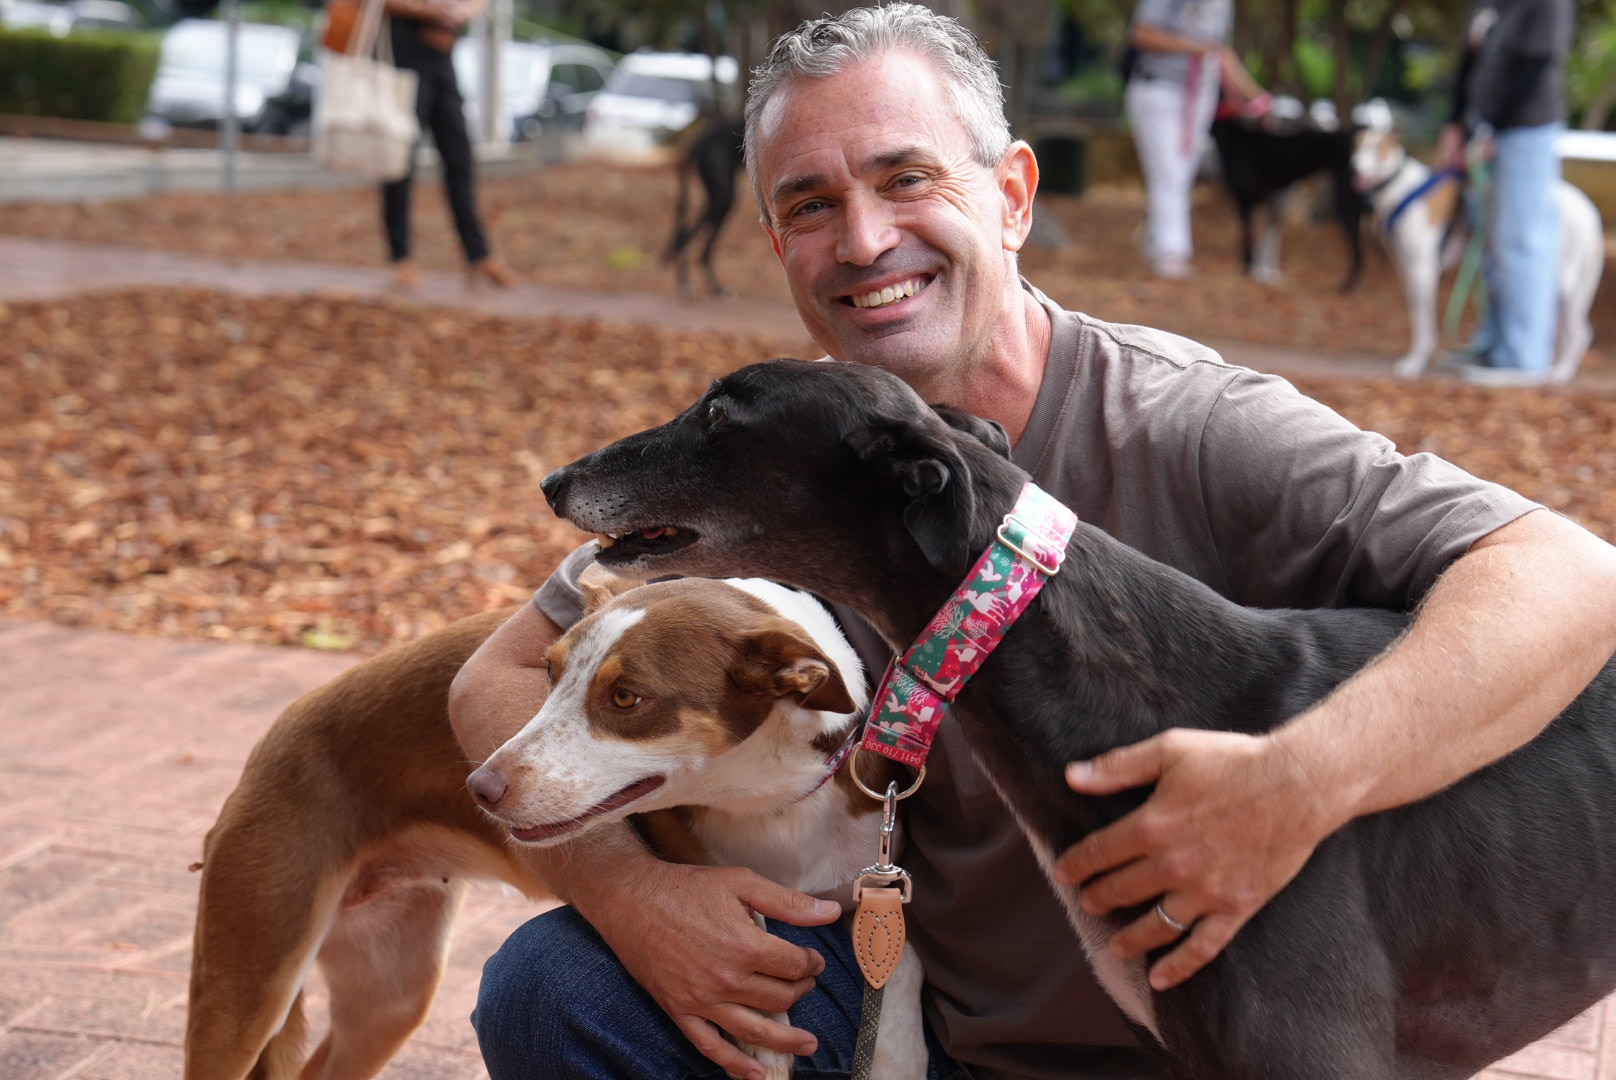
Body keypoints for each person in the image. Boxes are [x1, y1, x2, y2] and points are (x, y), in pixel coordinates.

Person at [448, 6, 1616, 1079]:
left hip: (1227, 1031)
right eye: (809, 205)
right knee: (555, 991)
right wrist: (628, 893)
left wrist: (1295, 785)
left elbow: (1567, 577)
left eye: (906, 179)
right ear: (775, 243)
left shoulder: (1190, 425)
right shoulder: (786, 462)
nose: (861, 240)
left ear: (1010, 195)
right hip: (920, 1025)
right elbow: (492, 680)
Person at [1437, 0, 1575, 386]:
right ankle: (1494, 346)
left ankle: (1523, 357)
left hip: (1525, 128)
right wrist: (1457, 124)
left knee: (1521, 239)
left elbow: (1535, 66)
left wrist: (1493, 128)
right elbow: (1470, 57)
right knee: (1491, 241)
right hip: (1487, 127)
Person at [1123, 0, 1269, 279]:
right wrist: (1194, 47)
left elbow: (1220, 52)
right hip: (1158, 88)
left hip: (1201, 94)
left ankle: (1156, 239)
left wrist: (1253, 96)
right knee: (1169, 173)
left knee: (1181, 174)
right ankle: (1171, 253)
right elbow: (1142, 34)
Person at [380, 0, 519, 291]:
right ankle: (401, 257)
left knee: (460, 158)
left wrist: (461, 12)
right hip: (402, 54)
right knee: (399, 160)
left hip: (442, 58)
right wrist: (429, 12)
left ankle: (477, 255)